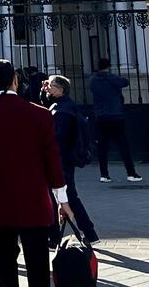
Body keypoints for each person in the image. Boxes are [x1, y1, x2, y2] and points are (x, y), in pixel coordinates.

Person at [0, 59, 73, 287]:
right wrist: (62, 200)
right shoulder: (41, 115)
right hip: (35, 203)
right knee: (37, 262)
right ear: (16, 81)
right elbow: (52, 161)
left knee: (5, 258)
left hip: (0, 204)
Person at [43, 74, 99, 245]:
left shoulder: (62, 111)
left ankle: (87, 232)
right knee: (61, 196)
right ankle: (57, 236)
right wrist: (43, 91)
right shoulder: (63, 105)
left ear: (60, 89)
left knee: (67, 196)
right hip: (63, 158)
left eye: (51, 85)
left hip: (61, 159)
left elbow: (58, 137)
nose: (48, 88)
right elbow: (46, 105)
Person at [89, 58, 142, 183]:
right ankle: (131, 173)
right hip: (115, 115)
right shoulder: (112, 78)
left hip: (101, 116)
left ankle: (104, 175)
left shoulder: (93, 80)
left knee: (102, 147)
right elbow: (125, 82)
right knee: (123, 146)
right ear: (109, 66)